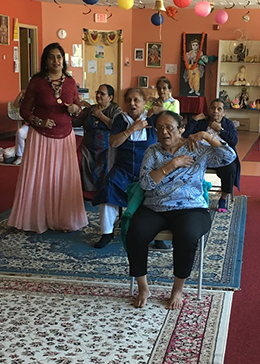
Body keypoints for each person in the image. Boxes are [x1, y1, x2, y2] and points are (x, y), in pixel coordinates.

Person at [127, 111, 236, 309]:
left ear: (181, 129)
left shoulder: (197, 148)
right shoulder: (153, 151)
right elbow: (145, 183)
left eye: (169, 127)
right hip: (155, 207)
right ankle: (143, 287)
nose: (164, 132)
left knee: (187, 236)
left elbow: (228, 157)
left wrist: (205, 135)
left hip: (191, 207)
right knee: (135, 232)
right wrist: (172, 165)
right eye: (159, 128)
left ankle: (177, 289)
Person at [8, 43, 87, 233]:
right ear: (45, 61)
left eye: (59, 57)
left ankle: (64, 219)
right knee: (40, 179)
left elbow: (78, 109)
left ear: (63, 60)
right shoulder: (37, 82)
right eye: (51, 57)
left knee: (63, 179)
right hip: (41, 137)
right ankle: (36, 219)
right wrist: (40, 122)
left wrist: (76, 109)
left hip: (65, 137)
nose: (56, 61)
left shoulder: (70, 82)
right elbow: (25, 110)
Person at [91, 88, 157, 248]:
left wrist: (156, 110)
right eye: (128, 100)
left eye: (136, 100)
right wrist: (132, 129)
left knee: (158, 193)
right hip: (123, 170)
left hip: (147, 171)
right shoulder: (120, 119)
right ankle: (106, 233)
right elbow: (113, 142)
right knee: (108, 188)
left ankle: (157, 235)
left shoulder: (153, 119)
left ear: (144, 103)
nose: (132, 104)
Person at [183, 98, 240, 212]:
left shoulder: (227, 124)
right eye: (213, 108)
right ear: (209, 110)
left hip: (221, 157)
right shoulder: (203, 122)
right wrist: (194, 120)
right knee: (185, 165)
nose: (216, 111)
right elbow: (185, 135)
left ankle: (223, 198)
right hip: (201, 156)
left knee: (230, 169)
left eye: (219, 109)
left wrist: (220, 130)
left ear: (223, 112)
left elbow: (234, 141)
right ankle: (189, 194)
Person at [72, 84, 122, 192]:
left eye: (102, 94)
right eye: (97, 93)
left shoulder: (115, 109)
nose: (98, 95)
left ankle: (103, 192)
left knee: (107, 158)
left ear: (110, 97)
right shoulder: (90, 109)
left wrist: (101, 116)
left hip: (106, 147)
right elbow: (75, 123)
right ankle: (83, 193)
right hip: (87, 148)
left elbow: (119, 126)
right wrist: (78, 108)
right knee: (77, 157)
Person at [4, 90, 29, 166]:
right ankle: (20, 156)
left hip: (41, 126)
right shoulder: (29, 100)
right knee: (20, 132)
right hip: (29, 125)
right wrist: (20, 94)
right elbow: (15, 104)